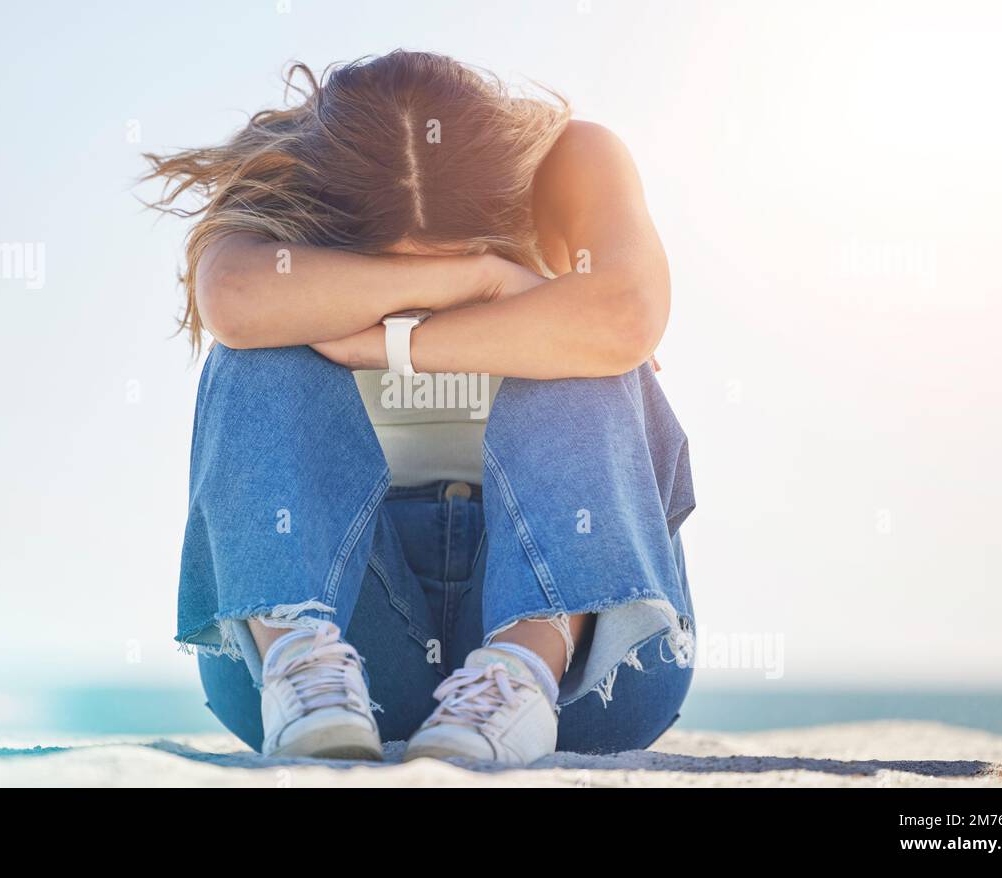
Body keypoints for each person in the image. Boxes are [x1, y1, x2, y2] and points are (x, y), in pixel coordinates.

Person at [145, 50, 696, 765]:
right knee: (252, 354)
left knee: (589, 351)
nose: (415, 289)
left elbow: (624, 319)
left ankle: (518, 674)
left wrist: (387, 343)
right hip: (348, 644)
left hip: (586, 668)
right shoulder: (283, 177)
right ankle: (300, 661)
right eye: (392, 268)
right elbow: (236, 302)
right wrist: (479, 276)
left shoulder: (573, 157)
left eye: (447, 258)